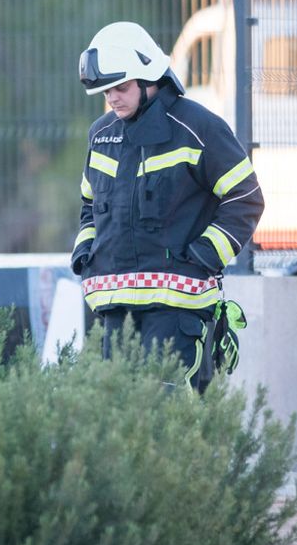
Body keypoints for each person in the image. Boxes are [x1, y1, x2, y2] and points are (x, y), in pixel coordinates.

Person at [71, 21, 264, 393]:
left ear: (149, 79)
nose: (112, 98)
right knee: (117, 413)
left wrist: (203, 256)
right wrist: (86, 253)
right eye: (106, 90)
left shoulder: (199, 128)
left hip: (177, 309)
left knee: (168, 409)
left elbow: (245, 198)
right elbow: (89, 204)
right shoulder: (101, 135)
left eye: (121, 87)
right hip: (114, 308)